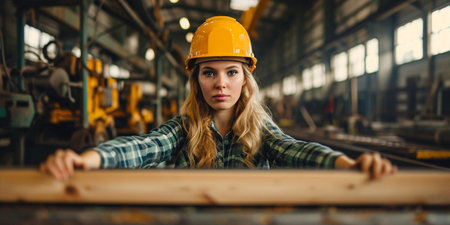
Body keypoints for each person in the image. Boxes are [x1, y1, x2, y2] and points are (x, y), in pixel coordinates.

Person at [41, 16, 397, 180]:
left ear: (246, 77)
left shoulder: (263, 132)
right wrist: (85, 160)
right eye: (209, 72)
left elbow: (299, 150)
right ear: (196, 80)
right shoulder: (182, 130)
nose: (220, 83)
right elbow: (140, 147)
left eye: (231, 72)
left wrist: (350, 165)